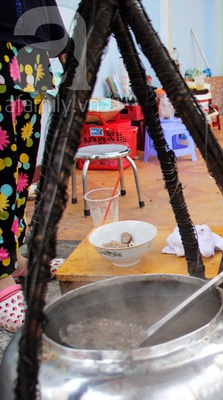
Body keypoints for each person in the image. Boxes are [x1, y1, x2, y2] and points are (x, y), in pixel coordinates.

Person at [0, 0, 67, 332]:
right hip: (1, 51)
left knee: (20, 171)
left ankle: (13, 258)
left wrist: (63, 44)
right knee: (0, 171)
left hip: (30, 57)